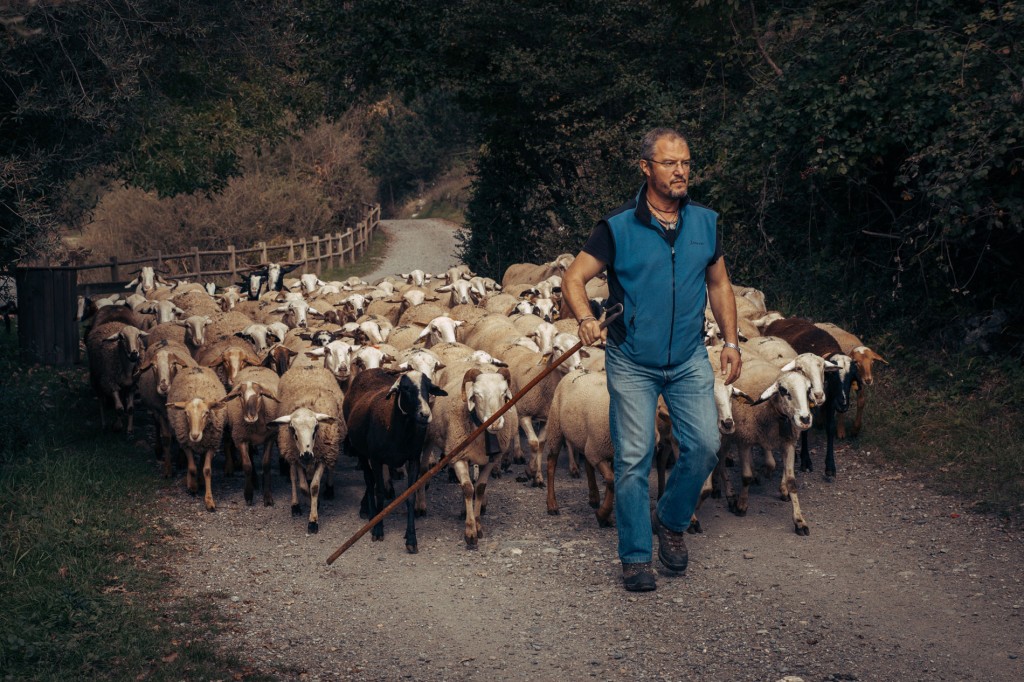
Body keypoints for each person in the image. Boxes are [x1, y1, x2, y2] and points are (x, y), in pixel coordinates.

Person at [561, 127, 742, 592]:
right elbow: (574, 278)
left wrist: (732, 341)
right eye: (670, 163)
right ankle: (636, 556)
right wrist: (584, 317)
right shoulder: (617, 226)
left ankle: (672, 519)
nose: (681, 171)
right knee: (634, 458)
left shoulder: (705, 222)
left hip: (687, 359)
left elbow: (719, 284)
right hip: (632, 360)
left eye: (686, 162)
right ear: (646, 168)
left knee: (704, 445)